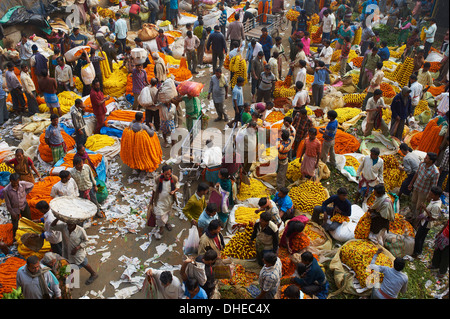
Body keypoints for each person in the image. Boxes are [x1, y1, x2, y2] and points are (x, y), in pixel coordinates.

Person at [50, 217, 98, 285]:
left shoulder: (80, 230)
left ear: (75, 223)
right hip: (67, 251)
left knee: (83, 262)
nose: (69, 226)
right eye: (68, 224)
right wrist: (58, 218)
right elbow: (52, 227)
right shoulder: (64, 227)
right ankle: (69, 279)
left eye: (71, 224)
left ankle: (93, 274)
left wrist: (77, 248)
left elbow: (86, 241)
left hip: (78, 252)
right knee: (69, 264)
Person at [407, 152, 440, 225]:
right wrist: (411, 183)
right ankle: (413, 216)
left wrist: (429, 197)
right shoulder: (422, 164)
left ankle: (416, 222)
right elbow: (417, 173)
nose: (425, 158)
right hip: (416, 187)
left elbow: (433, 185)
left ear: (431, 161)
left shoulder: (435, 172)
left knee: (419, 207)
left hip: (423, 192)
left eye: (426, 158)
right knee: (413, 202)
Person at [412, 186, 443, 258]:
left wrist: (425, 209)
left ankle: (417, 252)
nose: (430, 195)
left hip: (427, 223)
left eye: (431, 194)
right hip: (424, 221)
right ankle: (418, 251)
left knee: (418, 238)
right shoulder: (434, 200)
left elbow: (433, 218)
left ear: (437, 195)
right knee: (421, 237)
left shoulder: (436, 206)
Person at [151, 165, 179, 238]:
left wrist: (174, 191)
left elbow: (177, 186)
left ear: (171, 173)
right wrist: (152, 200)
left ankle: (166, 223)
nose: (167, 176)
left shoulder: (174, 179)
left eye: (169, 174)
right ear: (162, 173)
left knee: (167, 213)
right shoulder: (158, 179)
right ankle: (161, 227)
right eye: (165, 174)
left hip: (169, 201)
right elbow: (154, 190)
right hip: (159, 201)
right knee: (159, 216)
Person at [4, 173, 34, 238]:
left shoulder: (23, 184)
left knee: (28, 221)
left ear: (18, 180)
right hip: (15, 209)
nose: (15, 184)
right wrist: (12, 213)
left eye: (16, 183)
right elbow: (8, 203)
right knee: (15, 225)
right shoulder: (6, 190)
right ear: (10, 181)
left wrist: (25, 193)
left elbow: (32, 185)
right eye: (13, 183)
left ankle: (30, 235)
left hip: (24, 206)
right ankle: (16, 238)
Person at [276, 126, 296, 190]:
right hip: (283, 160)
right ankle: (280, 183)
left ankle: (280, 188)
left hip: (282, 162)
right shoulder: (289, 140)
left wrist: (278, 137)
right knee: (280, 173)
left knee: (281, 175)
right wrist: (290, 127)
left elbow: (278, 147)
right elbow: (293, 134)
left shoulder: (282, 146)